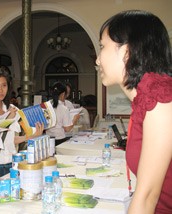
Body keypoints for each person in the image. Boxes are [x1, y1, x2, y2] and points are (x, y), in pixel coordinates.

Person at [96, 10, 172, 214]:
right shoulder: (146, 98)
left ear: (126, 50)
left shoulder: (160, 97)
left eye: (103, 47)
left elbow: (147, 197)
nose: (97, 60)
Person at [0, 67, 44, 176]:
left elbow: (10, 139)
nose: (0, 90)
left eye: (4, 85)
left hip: (12, 162)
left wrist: (30, 136)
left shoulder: (11, 109)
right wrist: (8, 119)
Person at [46, 82, 80, 146]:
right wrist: (75, 120)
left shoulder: (47, 105)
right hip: (59, 139)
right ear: (63, 94)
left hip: (48, 138)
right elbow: (67, 129)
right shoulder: (64, 108)